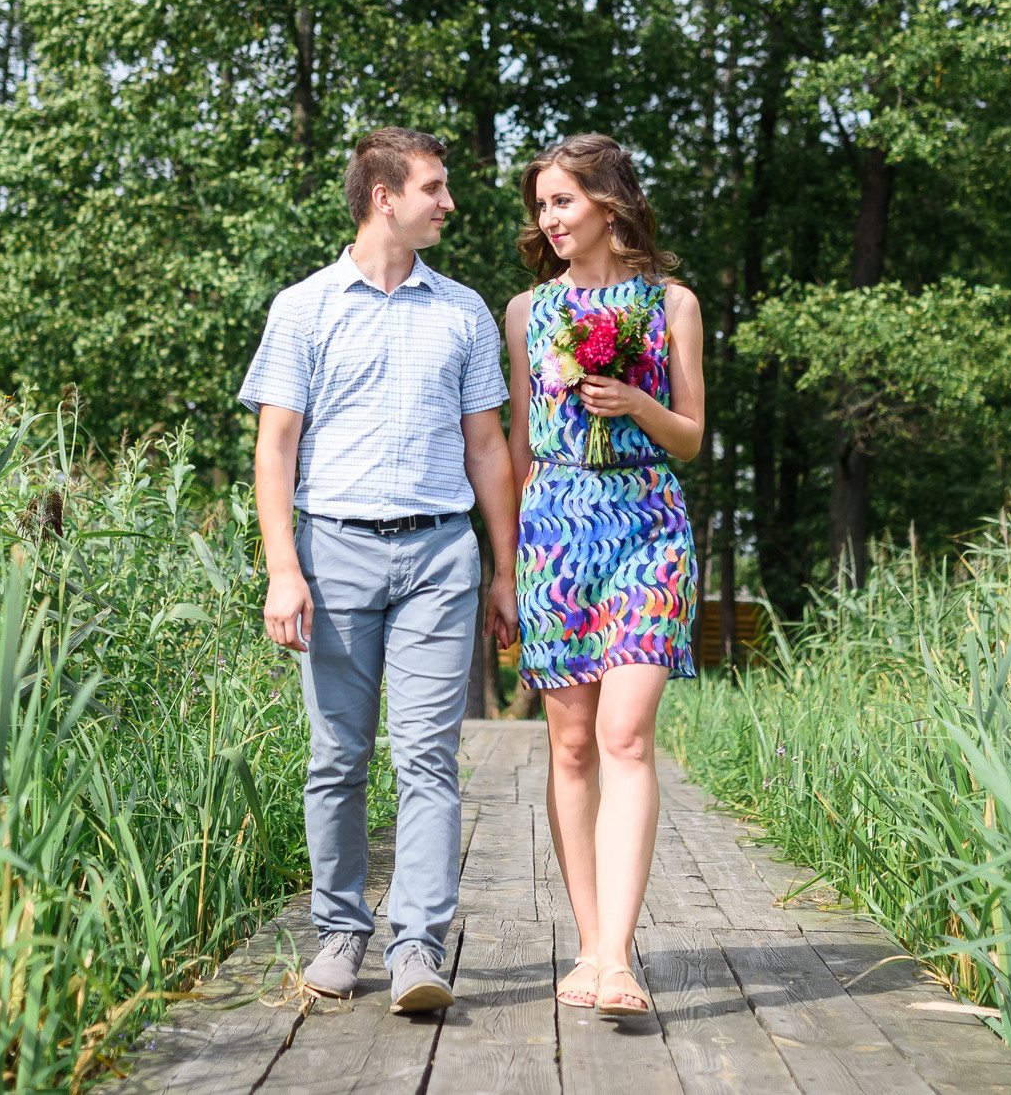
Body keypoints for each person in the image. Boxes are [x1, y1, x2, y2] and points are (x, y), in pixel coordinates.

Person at [241, 128, 522, 1015]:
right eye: (434, 188)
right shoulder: (304, 307)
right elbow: (275, 446)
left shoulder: (464, 311)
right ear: (383, 197)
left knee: (430, 756)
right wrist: (284, 568)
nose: (448, 203)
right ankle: (340, 931)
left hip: (441, 554)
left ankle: (416, 946)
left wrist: (504, 570)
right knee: (339, 756)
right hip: (335, 552)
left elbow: (488, 448)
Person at [502, 133, 706, 1022]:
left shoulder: (672, 301)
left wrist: (639, 405)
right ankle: (589, 941)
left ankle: (618, 956)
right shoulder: (524, 311)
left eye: (563, 202)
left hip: (648, 524)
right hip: (554, 526)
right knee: (573, 744)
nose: (549, 220)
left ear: (610, 205)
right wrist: (503, 567)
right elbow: (515, 444)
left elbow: (693, 434)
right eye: (542, 205)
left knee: (626, 733)